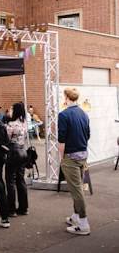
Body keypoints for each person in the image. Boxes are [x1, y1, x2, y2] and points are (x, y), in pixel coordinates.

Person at [58, 87, 91, 236]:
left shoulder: (63, 115)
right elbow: (88, 135)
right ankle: (76, 216)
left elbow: (61, 139)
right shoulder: (84, 114)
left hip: (70, 156)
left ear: (66, 98)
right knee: (77, 187)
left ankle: (83, 224)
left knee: (76, 190)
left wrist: (62, 156)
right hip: (83, 154)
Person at [5, 102, 29, 217]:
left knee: (10, 181)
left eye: (11, 109)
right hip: (23, 151)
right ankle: (23, 207)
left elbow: (8, 139)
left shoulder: (11, 124)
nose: (9, 111)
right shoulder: (24, 124)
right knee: (21, 180)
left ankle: (11, 209)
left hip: (13, 152)